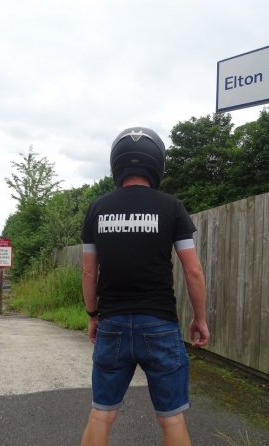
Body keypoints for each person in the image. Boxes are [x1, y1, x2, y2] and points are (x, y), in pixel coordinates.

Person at [80, 127, 210, 446]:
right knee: (171, 418)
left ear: (117, 165)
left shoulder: (97, 209)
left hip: (112, 324)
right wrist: (200, 318)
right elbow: (192, 271)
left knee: (101, 414)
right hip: (160, 325)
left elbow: (88, 272)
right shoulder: (171, 207)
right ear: (156, 164)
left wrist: (93, 315)